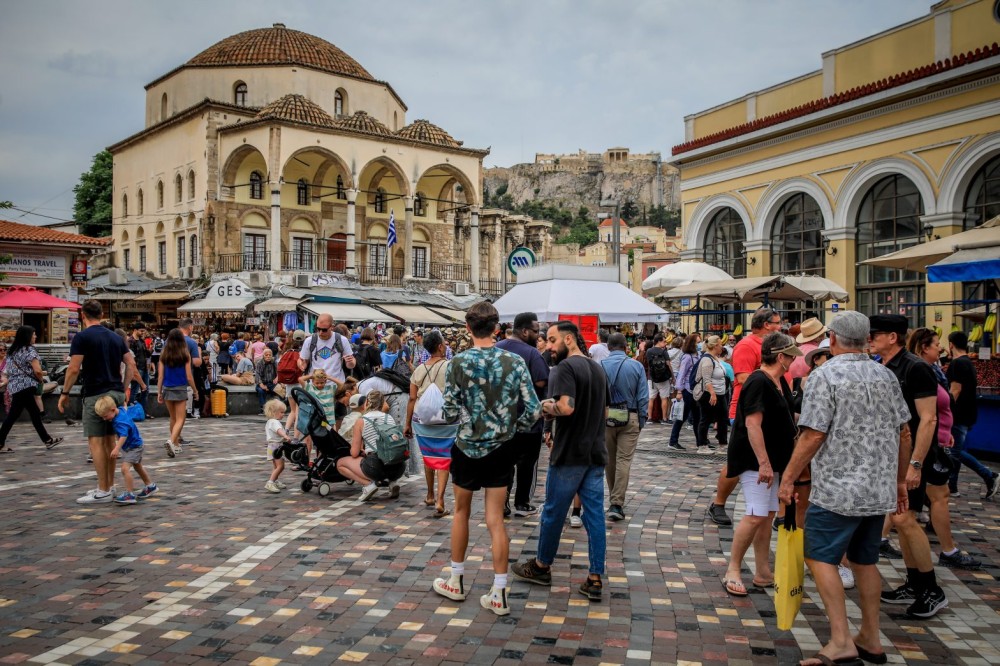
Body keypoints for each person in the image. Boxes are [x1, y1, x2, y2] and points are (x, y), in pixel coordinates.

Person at [778, 311, 910, 666]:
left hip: (838, 487)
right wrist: (899, 480)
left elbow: (813, 434)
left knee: (819, 555)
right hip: (877, 487)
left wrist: (789, 478)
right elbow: (904, 432)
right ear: (867, 339)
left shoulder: (825, 375)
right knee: (865, 561)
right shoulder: (886, 375)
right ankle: (870, 636)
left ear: (832, 339)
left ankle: (841, 640)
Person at [432, 301, 541, 617]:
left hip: (467, 447)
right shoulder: (515, 361)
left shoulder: (458, 363)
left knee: (461, 513)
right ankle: (499, 591)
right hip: (501, 447)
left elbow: (449, 411)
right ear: (497, 328)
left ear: (468, 329)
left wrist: (470, 418)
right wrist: (510, 426)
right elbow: (533, 410)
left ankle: (455, 580)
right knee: (496, 520)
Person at [512, 320, 608, 603]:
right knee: (595, 516)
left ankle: (541, 566)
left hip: (569, 455)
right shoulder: (596, 368)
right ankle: (595, 578)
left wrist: (545, 407)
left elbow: (566, 406)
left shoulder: (565, 368)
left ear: (568, 340)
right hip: (595, 452)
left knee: (553, 512)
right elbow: (603, 412)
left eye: (552, 340)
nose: (548, 346)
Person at [869, 314, 948, 618]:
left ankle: (932, 589)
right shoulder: (885, 366)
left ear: (893, 337)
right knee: (901, 518)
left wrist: (915, 463)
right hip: (894, 456)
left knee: (903, 519)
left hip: (914, 456)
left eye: (876, 334)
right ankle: (915, 583)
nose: (870, 339)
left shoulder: (915, 367)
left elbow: (928, 419)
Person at [721, 333, 800, 597]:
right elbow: (752, 424)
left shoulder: (778, 381)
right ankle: (733, 569)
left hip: (775, 459)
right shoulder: (758, 381)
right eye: (790, 355)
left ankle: (763, 571)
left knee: (766, 515)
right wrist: (764, 463)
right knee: (755, 514)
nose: (793, 360)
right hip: (755, 460)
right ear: (780, 356)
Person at [908, 328, 982, 569]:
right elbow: (928, 413)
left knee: (916, 505)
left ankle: (886, 540)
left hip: (936, 441)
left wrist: (946, 430)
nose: (940, 348)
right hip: (927, 446)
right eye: (936, 344)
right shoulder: (922, 371)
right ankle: (945, 552)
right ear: (923, 348)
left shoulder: (934, 370)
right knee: (933, 498)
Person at [708, 308, 781, 526]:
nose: (781, 325)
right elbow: (742, 376)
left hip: (770, 410)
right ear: (766, 325)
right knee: (738, 461)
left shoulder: (773, 344)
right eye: (777, 322)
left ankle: (776, 509)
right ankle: (718, 503)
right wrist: (772, 382)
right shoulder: (747, 345)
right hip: (745, 410)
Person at [59, 300, 137, 504]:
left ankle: (103, 489)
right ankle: (109, 486)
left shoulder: (81, 337)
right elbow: (131, 364)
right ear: (102, 314)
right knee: (110, 440)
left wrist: (65, 392)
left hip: (95, 394)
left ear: (83, 315)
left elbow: (74, 368)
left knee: (95, 441)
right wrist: (124, 386)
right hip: (116, 392)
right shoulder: (115, 337)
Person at [496, 312, 550, 518]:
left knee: (504, 463)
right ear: (525, 331)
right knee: (527, 464)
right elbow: (541, 382)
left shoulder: (496, 349)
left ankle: (502, 502)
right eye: (536, 331)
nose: (538, 335)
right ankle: (522, 503)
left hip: (500, 420)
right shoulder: (531, 353)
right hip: (528, 421)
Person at [404, 329, 455, 517]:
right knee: (444, 458)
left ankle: (430, 494)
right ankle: (441, 500)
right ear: (441, 347)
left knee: (429, 455)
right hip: (446, 421)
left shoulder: (418, 369)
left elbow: (411, 398)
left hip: (422, 420)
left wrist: (407, 424)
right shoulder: (450, 367)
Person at [600, 332, 647, 521]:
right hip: (631, 415)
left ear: (608, 347)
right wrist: (641, 420)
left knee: (609, 461)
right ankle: (616, 503)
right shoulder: (636, 366)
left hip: (604, 417)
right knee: (624, 460)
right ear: (626, 346)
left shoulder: (598, 366)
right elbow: (643, 395)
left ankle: (615, 499)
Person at [946, 331, 998, 498]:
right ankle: (954, 486)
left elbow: (955, 390)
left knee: (954, 452)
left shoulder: (957, 364)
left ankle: (988, 476)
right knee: (955, 450)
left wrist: (944, 409)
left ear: (951, 344)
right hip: (968, 413)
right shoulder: (968, 362)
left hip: (957, 413)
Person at [0, 326, 62, 452]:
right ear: (27, 336)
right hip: (26, 386)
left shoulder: (12, 351)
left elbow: (10, 370)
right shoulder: (29, 350)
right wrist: (40, 379)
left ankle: (47, 440)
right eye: (33, 334)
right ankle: (47, 440)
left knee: (28, 414)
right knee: (19, 415)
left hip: (15, 386)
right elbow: (38, 370)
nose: (35, 336)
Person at [337, 389, 405, 499]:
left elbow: (354, 453)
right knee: (387, 460)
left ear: (367, 403)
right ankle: (392, 482)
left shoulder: (361, 421)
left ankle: (369, 485)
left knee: (340, 463)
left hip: (375, 466)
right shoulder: (389, 418)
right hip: (398, 466)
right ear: (383, 403)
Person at [95, 395, 157, 505]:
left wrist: (116, 448)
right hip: (136, 445)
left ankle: (129, 494)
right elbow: (124, 406)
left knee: (124, 469)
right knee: (138, 467)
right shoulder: (120, 411)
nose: (105, 419)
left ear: (113, 410)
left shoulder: (120, 421)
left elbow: (124, 435)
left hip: (134, 448)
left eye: (105, 416)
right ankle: (150, 486)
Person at [157, 329, 198, 458]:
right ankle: (171, 440)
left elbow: (160, 376)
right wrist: (195, 390)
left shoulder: (164, 354)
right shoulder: (185, 354)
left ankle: (175, 444)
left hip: (167, 388)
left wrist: (159, 392)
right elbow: (189, 376)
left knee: (173, 418)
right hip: (180, 387)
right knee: (181, 418)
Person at [693, 335, 730, 453]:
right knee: (706, 419)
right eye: (720, 345)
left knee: (723, 418)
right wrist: (712, 394)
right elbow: (707, 379)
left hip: (720, 393)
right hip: (709, 394)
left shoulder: (716, 359)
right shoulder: (707, 360)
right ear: (715, 346)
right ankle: (702, 445)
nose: (722, 347)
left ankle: (722, 443)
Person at [299, 313, 355, 383]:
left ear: (332, 327)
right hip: (315, 386)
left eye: (324, 330)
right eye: (318, 329)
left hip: (336, 384)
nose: (320, 333)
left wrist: (350, 362)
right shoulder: (309, 341)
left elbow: (351, 364)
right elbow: (302, 360)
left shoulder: (342, 340)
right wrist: (301, 365)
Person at [668, 333, 701, 451]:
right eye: (697, 342)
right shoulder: (687, 357)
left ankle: (701, 442)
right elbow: (681, 374)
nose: (699, 345)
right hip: (687, 390)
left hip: (695, 390)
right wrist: (680, 391)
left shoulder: (698, 355)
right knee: (682, 416)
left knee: (697, 417)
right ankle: (673, 441)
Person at [645, 334, 673, 425]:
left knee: (651, 398)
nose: (665, 343)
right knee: (664, 398)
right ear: (659, 341)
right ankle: (664, 418)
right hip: (663, 379)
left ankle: (649, 418)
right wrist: (673, 376)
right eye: (664, 341)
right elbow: (668, 364)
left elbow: (649, 364)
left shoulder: (649, 351)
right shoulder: (663, 351)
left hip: (652, 379)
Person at [263, 399, 289, 493]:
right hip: (276, 446)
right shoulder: (275, 422)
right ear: (274, 412)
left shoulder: (270, 421)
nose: (283, 414)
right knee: (280, 466)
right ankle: (270, 482)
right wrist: (285, 436)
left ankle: (275, 481)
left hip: (271, 446)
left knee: (276, 466)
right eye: (282, 412)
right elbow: (279, 430)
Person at [128, 323, 151, 415]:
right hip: (137, 369)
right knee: (134, 389)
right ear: (135, 330)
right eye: (141, 331)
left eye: (144, 331)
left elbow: (147, 355)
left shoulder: (142, 341)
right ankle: (131, 411)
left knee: (145, 390)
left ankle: (143, 412)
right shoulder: (130, 341)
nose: (143, 332)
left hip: (144, 368)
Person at [254, 348, 278, 415]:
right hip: (262, 383)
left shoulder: (274, 362)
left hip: (271, 383)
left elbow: (279, 372)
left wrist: (277, 378)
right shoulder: (260, 363)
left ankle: (280, 408)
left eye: (269, 355)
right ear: (263, 355)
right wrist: (261, 385)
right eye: (266, 355)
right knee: (261, 391)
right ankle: (263, 409)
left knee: (280, 390)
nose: (268, 356)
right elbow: (257, 374)